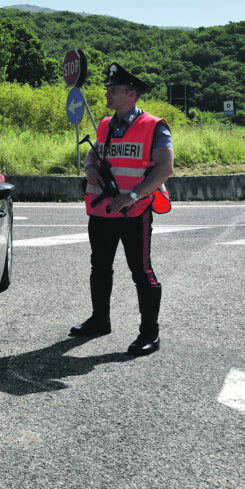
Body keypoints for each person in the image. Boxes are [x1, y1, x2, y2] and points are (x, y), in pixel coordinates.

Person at [70, 63, 174, 356]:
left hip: (134, 212)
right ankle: (100, 320)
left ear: (132, 94)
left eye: (113, 90)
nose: (107, 93)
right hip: (101, 211)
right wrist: (90, 169)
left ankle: (149, 333)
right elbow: (93, 155)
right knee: (99, 267)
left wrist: (132, 195)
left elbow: (165, 168)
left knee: (141, 272)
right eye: (108, 89)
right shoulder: (104, 124)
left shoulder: (154, 126)